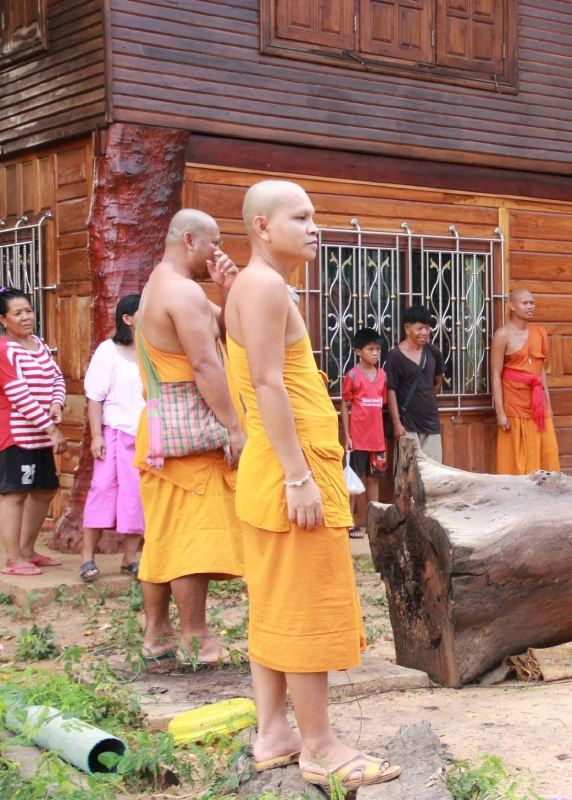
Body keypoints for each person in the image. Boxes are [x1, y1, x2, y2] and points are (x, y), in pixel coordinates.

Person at [226, 179, 400, 790]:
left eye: (314, 216)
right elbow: (269, 385)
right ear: (262, 228)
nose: (314, 227)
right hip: (290, 472)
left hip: (272, 470)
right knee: (303, 605)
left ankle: (275, 731)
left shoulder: (256, 284)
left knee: (275, 602)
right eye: (299, 217)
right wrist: (299, 476)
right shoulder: (266, 284)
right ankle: (320, 747)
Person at [136, 209, 247, 668]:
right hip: (189, 440)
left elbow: (226, 324)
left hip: (162, 432)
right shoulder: (180, 292)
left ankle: (156, 633)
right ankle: (195, 636)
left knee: (163, 536)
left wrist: (230, 287)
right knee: (190, 540)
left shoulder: (159, 283)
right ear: (188, 240)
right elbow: (205, 364)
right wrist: (235, 427)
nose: (217, 252)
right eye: (213, 243)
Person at [0, 288, 67, 576]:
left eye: (28, 310)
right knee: (14, 493)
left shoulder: (38, 343)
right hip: (16, 433)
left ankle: (28, 550)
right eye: (18, 313)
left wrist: (56, 403)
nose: (26, 316)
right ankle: (13, 558)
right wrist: (51, 428)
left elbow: (57, 376)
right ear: (3, 320)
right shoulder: (4, 350)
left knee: (44, 489)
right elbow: (19, 395)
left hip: (39, 432)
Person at [80, 294, 145, 582]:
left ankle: (129, 558)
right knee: (102, 489)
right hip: (114, 433)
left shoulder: (152, 350)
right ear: (127, 319)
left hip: (143, 434)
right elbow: (94, 398)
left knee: (136, 494)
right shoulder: (108, 350)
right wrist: (97, 437)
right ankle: (86, 557)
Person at [491, 289, 560, 474]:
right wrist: (500, 412)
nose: (530, 307)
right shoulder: (502, 335)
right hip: (514, 401)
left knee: (548, 448)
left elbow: (541, 370)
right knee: (517, 452)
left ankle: (547, 491)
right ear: (512, 306)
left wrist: (548, 405)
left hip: (538, 402)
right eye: (525, 303)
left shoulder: (539, 332)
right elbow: (496, 375)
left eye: (532, 303)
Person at [341, 328, 387, 538]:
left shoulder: (383, 375)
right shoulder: (352, 375)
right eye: (371, 349)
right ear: (358, 351)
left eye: (378, 349)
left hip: (377, 439)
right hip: (358, 438)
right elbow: (345, 403)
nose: (376, 353)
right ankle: (349, 521)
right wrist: (348, 436)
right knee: (354, 480)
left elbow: (381, 403)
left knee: (374, 479)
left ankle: (374, 521)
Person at [385, 305, 445, 464]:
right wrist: (397, 423)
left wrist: (427, 400)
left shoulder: (433, 352)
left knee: (434, 472)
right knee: (408, 476)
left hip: (431, 422)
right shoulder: (395, 356)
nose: (425, 333)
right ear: (407, 328)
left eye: (427, 328)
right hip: (407, 424)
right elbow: (390, 390)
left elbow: (438, 381)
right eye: (420, 328)